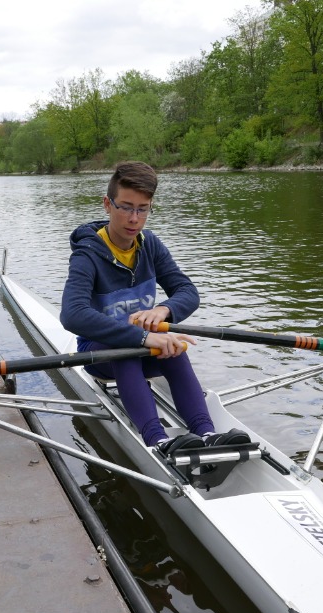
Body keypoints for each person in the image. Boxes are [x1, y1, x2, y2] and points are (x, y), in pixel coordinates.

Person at [60, 161, 245, 456]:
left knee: (174, 348)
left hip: (144, 347)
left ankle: (206, 432)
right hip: (99, 353)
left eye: (142, 209)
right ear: (107, 204)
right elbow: (72, 314)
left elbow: (187, 291)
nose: (134, 219)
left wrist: (163, 310)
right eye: (125, 207)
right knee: (127, 352)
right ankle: (157, 440)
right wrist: (144, 337)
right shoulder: (87, 254)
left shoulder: (150, 245)